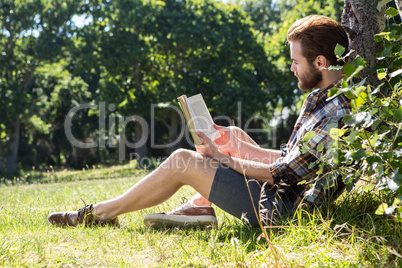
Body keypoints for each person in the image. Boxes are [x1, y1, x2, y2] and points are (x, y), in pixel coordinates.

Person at [48, 15, 351, 228]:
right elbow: (294, 161)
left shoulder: (335, 113)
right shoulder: (323, 99)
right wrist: (235, 146)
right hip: (286, 192)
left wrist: (226, 159)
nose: (291, 69)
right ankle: (200, 207)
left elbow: (284, 173)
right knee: (232, 134)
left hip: (283, 210)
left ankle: (99, 213)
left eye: (296, 62)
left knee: (183, 160)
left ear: (321, 63)